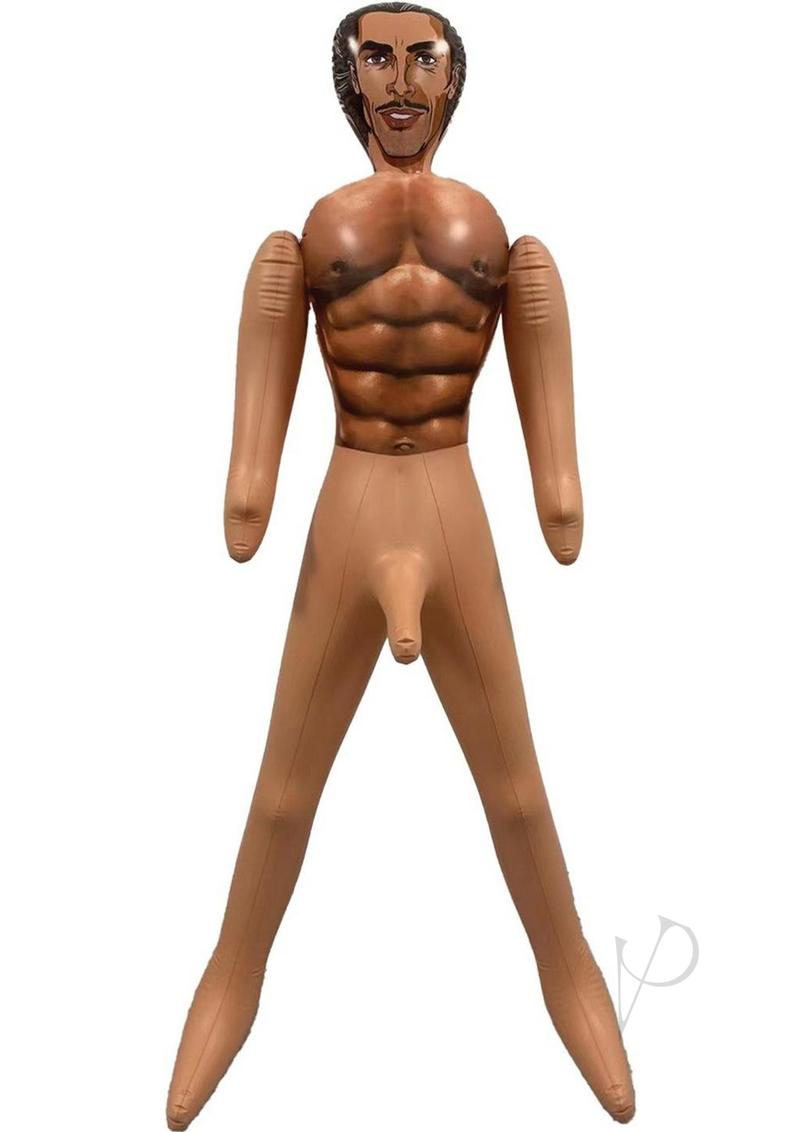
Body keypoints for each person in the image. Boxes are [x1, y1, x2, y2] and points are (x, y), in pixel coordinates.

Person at [166, 4, 635, 1126]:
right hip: (352, 494)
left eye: (422, 58)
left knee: (517, 790)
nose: (400, 81)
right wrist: (247, 489)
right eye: (376, 58)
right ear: (350, 78)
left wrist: (559, 490)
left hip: (453, 503)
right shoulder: (308, 236)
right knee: (282, 793)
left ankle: (569, 972)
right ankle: (232, 977)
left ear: (452, 78)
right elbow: (251, 459)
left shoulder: (500, 237)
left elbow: (551, 433)